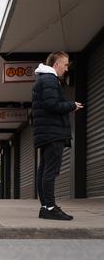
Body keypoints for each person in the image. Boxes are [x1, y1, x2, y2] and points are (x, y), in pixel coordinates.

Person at [33, 51, 83, 220]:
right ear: (56, 65)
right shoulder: (49, 80)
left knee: (44, 171)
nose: (67, 68)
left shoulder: (44, 79)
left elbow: (49, 104)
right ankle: (50, 207)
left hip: (46, 132)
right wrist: (71, 105)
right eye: (65, 64)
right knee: (50, 172)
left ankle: (46, 207)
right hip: (52, 133)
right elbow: (51, 105)